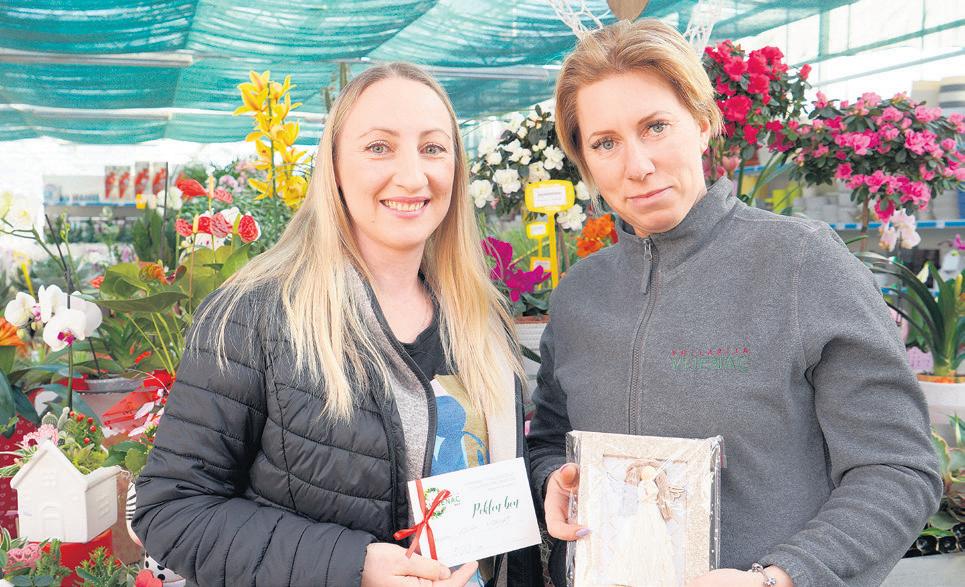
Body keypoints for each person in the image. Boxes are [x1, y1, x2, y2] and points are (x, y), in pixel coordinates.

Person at [527, 19, 941, 587]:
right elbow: (551, 436)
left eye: (655, 127)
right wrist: (554, 478)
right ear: (585, 160)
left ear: (702, 124)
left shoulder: (800, 264)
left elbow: (896, 467)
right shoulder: (579, 294)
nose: (637, 166)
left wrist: (781, 576)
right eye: (605, 143)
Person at [133, 62, 540, 587]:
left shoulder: (481, 320)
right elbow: (172, 510)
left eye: (433, 148)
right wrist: (354, 566)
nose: (413, 176)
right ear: (334, 168)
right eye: (379, 147)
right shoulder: (254, 316)